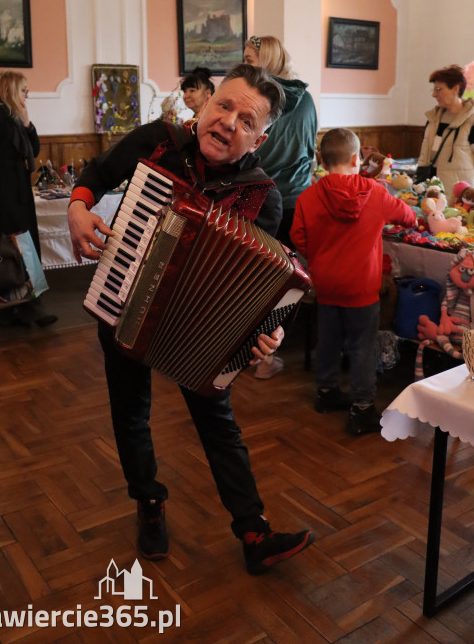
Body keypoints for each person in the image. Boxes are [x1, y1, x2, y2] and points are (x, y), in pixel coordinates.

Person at [67, 64, 315, 575]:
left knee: (218, 423)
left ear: (259, 139)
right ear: (204, 105)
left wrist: (270, 330)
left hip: (195, 332)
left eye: (246, 119)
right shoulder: (158, 141)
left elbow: (263, 285)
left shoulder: (261, 197)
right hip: (125, 299)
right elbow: (95, 172)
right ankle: (150, 502)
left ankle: (252, 530)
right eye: (223, 105)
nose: (228, 121)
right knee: (130, 411)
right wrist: (78, 207)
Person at [290, 127, 416, 435]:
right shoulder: (375, 192)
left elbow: (298, 239)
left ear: (322, 159)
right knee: (363, 346)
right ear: (356, 158)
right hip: (362, 286)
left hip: (326, 283)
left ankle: (326, 392)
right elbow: (409, 218)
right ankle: (361, 408)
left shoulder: (307, 197)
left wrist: (319, 258)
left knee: (329, 339)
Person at [243, 35, 318, 379]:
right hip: (296, 197)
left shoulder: (259, 98)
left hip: (261, 196)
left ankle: (256, 353)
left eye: (250, 58)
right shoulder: (306, 101)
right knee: (286, 278)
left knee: (255, 276)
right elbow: (309, 146)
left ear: (268, 62)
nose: (245, 65)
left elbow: (252, 150)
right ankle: (270, 354)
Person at [0, 70, 57, 328]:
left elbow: (34, 150)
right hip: (0, 195)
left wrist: (28, 124)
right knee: (8, 250)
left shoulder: (13, 117)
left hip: (17, 192)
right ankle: (14, 309)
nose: (27, 94)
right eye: (23, 89)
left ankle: (23, 309)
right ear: (8, 89)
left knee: (24, 248)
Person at [417, 64, 474, 201]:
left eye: (439, 89)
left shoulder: (471, 121)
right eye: (434, 89)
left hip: (459, 196)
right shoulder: (432, 119)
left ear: (455, 89)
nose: (434, 94)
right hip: (431, 191)